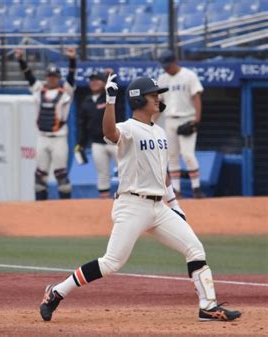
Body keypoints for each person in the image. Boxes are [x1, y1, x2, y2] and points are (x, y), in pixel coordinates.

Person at [39, 74, 241, 323]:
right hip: (132, 205)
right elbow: (109, 132)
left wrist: (175, 205)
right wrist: (110, 100)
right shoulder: (128, 128)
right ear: (138, 99)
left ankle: (208, 306)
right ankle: (56, 292)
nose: (158, 98)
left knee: (195, 248)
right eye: (153, 94)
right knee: (111, 262)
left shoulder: (160, 132)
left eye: (157, 94)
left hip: (159, 207)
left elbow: (163, 174)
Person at [15, 48, 76, 200]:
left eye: (55, 76)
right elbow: (29, 76)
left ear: (58, 78)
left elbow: (72, 77)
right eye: (50, 76)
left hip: (59, 138)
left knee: (61, 173)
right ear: (46, 77)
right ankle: (42, 206)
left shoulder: (65, 93)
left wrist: (72, 60)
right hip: (42, 137)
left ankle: (67, 207)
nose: (52, 79)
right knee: (40, 173)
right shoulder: (38, 91)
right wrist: (21, 59)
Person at [157, 49, 204, 198]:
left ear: (175, 61)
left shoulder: (189, 75)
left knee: (188, 154)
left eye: (168, 65)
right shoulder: (162, 78)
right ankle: (176, 191)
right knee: (172, 155)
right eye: (164, 66)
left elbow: (196, 97)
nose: (166, 68)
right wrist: (150, 121)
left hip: (187, 118)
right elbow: (159, 102)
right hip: (169, 119)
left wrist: (197, 119)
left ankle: (196, 188)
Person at [76, 70, 126, 198]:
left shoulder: (111, 97)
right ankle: (103, 204)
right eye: (92, 80)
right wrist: (80, 144)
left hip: (115, 141)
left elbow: (117, 93)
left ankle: (127, 200)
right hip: (97, 143)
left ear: (104, 83)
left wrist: (113, 79)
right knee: (102, 174)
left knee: (124, 172)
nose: (94, 83)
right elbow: (82, 125)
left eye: (97, 80)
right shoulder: (86, 102)